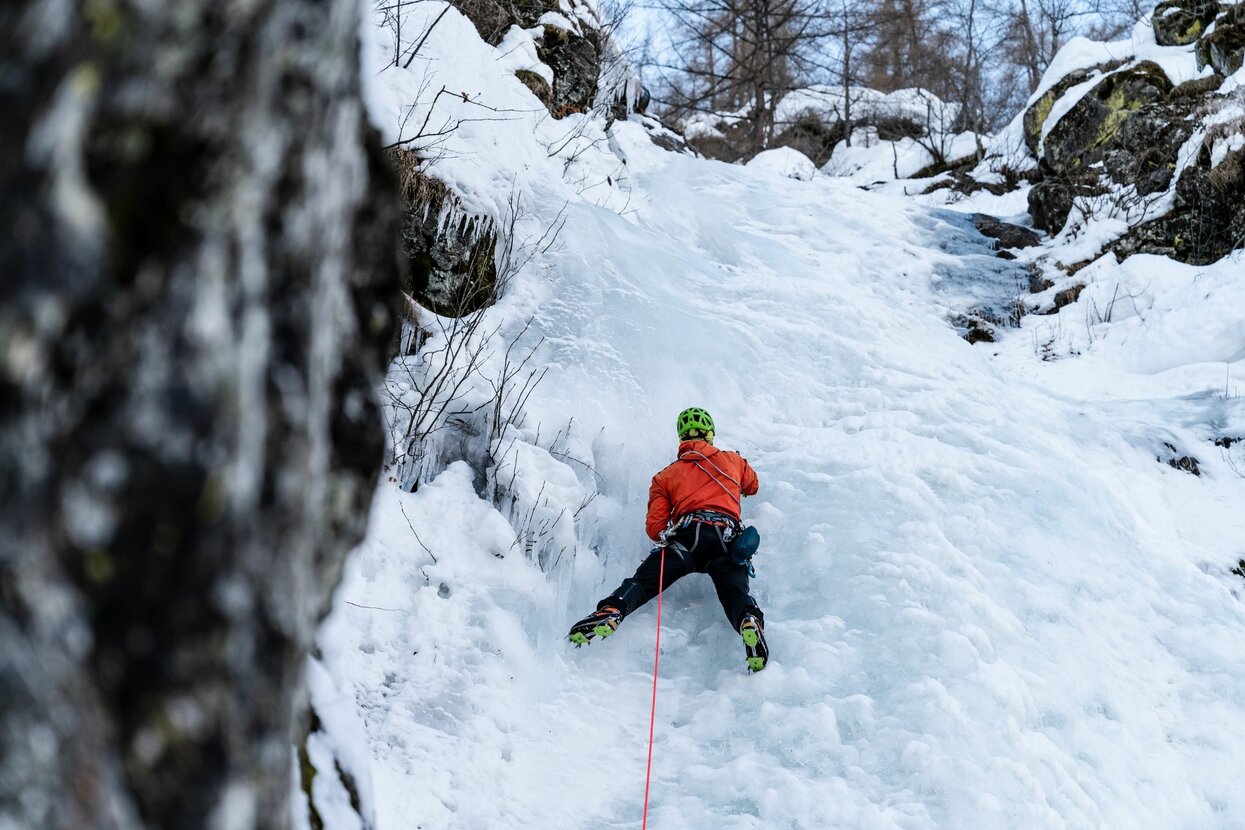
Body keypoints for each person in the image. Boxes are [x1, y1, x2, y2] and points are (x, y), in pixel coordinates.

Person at [568, 407, 769, 671]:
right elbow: (753, 486)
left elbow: (655, 528)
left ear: (681, 438)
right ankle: (748, 620)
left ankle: (612, 610)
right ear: (710, 434)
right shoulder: (732, 460)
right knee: (735, 594)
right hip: (726, 539)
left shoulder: (665, 476)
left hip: (686, 539)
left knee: (642, 583)